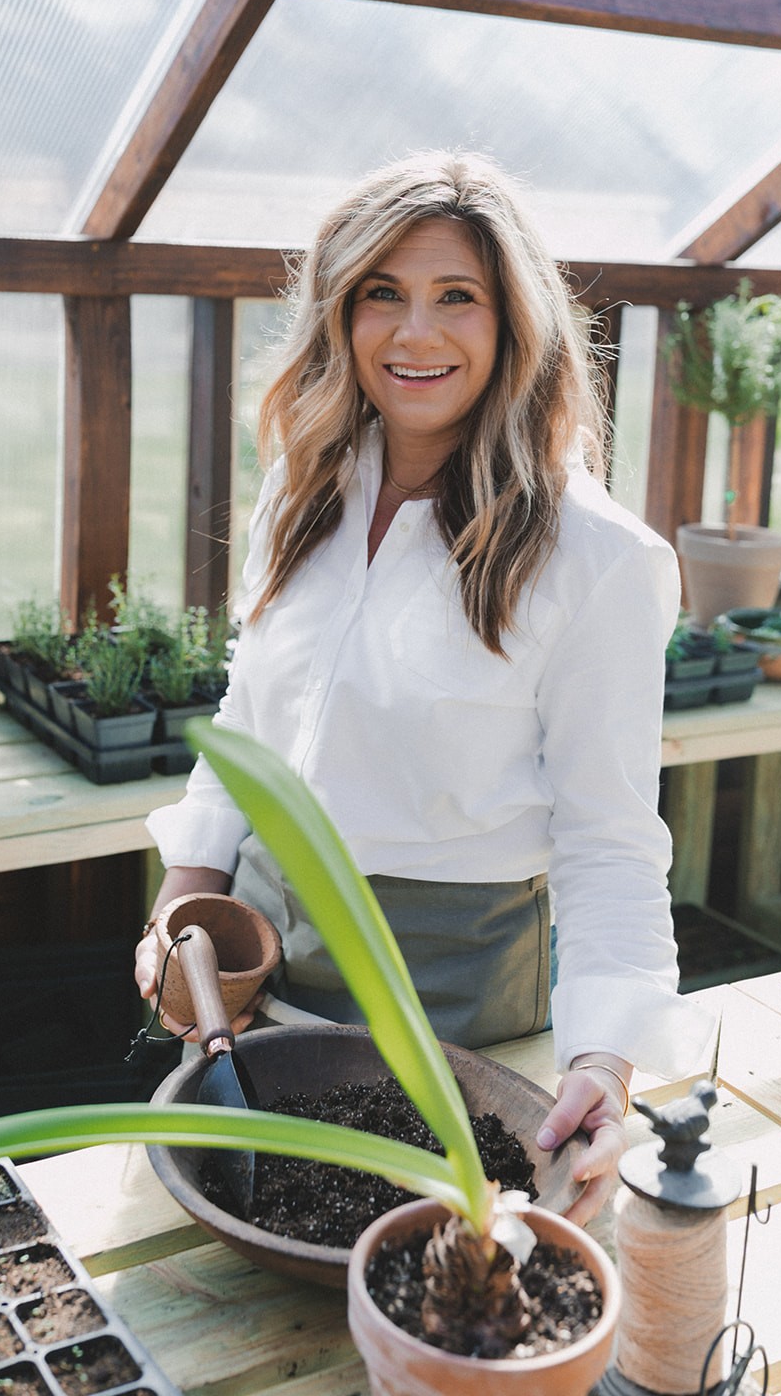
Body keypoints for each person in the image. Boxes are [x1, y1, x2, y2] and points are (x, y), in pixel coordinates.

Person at [137, 150, 714, 1223]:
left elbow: (609, 840)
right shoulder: (301, 485)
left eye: (457, 296)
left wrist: (606, 1061)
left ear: (515, 326)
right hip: (252, 971)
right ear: (338, 314)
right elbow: (246, 724)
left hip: (446, 1003)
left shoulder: (594, 559)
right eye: (380, 295)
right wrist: (183, 904)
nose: (413, 334)